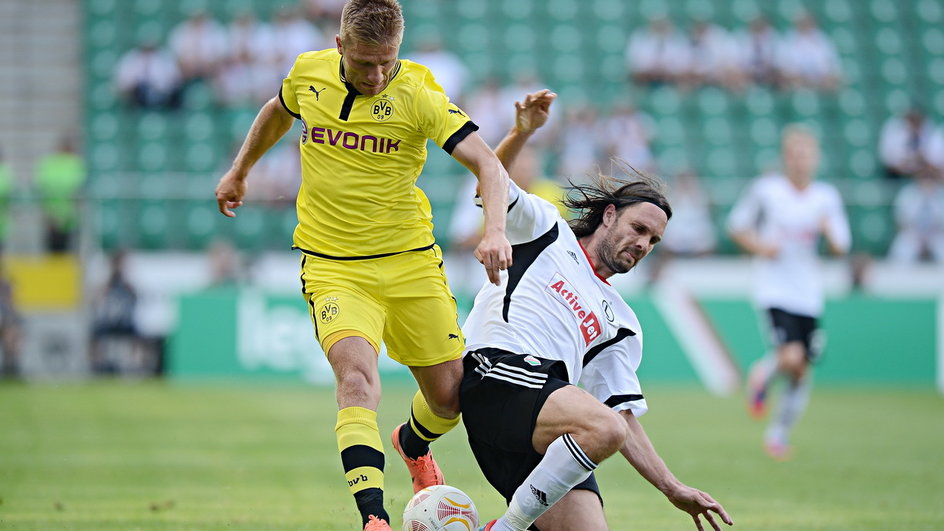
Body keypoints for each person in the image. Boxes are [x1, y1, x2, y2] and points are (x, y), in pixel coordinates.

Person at [213, 2, 515, 529]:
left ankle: (412, 444)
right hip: (333, 265)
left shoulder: (419, 95)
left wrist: (494, 230)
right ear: (339, 47)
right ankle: (373, 518)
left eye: (387, 62)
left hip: (409, 261)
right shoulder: (308, 74)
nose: (376, 76)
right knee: (356, 381)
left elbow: (488, 163)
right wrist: (240, 171)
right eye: (364, 63)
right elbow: (277, 111)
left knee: (449, 399)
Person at [459, 108, 733, 531]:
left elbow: (621, 416)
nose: (643, 244)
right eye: (638, 228)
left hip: (551, 428)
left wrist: (672, 487)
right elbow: (488, 181)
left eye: (653, 240)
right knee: (601, 427)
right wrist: (520, 132)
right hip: (496, 377)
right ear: (608, 214)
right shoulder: (546, 230)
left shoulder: (621, 321)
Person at [727, 124, 851, 460]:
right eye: (795, 154)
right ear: (786, 157)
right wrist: (761, 247)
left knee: (800, 370)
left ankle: (778, 434)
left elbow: (843, 247)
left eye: (807, 154)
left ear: (816, 158)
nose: (801, 161)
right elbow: (737, 226)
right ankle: (764, 375)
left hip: (808, 292)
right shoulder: (767, 190)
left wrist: (829, 233)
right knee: (792, 357)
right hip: (774, 288)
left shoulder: (826, 198)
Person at [35, 136, 86, 253]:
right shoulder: (76, 164)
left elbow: (42, 190)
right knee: (64, 255)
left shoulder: (48, 164)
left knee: (56, 254)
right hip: (66, 218)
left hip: (56, 218)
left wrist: (49, 214)